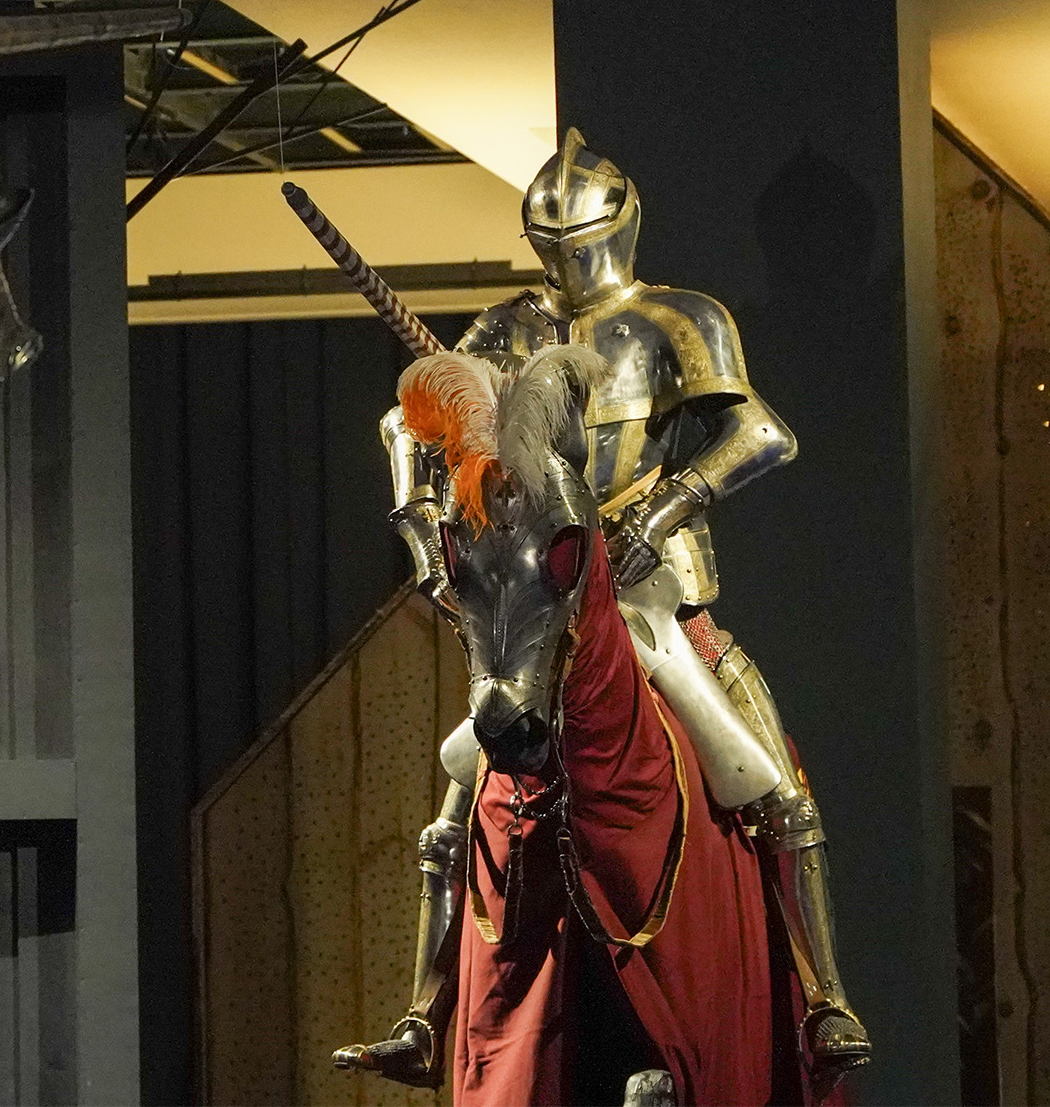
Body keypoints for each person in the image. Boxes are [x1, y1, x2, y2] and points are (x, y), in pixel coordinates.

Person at [336, 129, 869, 1094]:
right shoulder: (506, 327)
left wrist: (664, 507)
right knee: (457, 804)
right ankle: (422, 1013)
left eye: (582, 245)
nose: (571, 265)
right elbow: (403, 424)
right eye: (554, 248)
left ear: (620, 229)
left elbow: (759, 430)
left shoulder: (677, 318)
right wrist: (420, 532)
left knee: (771, 785)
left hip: (647, 587)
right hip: (546, 591)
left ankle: (826, 997)